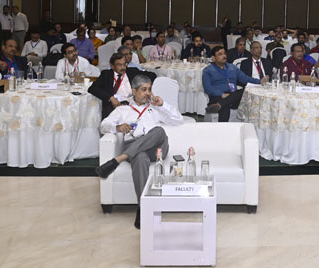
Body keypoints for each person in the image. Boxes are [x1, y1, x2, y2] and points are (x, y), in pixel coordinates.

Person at [96, 74, 183, 229]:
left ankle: (119, 158)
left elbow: (178, 120)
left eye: (149, 89)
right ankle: (143, 208)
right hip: (135, 148)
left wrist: (163, 105)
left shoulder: (155, 108)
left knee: (159, 131)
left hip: (157, 149)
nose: (148, 93)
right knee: (141, 156)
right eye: (144, 90)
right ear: (134, 91)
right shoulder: (122, 110)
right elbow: (103, 126)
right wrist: (117, 127)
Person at [202, 46, 267, 122]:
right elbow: (208, 88)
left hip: (233, 96)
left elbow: (245, 79)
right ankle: (222, 124)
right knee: (225, 107)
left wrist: (260, 81)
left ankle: (220, 105)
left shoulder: (232, 67)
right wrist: (222, 94)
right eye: (220, 54)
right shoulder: (208, 70)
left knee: (245, 90)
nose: (224, 56)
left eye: (224, 53)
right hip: (217, 96)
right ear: (213, 58)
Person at [88, 52, 157, 119]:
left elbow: (153, 75)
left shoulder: (132, 71)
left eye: (124, 64)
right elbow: (92, 88)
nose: (123, 67)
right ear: (112, 66)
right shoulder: (106, 74)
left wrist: (141, 84)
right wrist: (110, 98)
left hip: (132, 105)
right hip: (115, 106)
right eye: (119, 65)